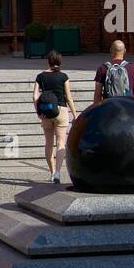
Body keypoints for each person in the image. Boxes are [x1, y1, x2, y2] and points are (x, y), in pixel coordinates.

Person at [33, 50, 78, 184]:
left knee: (48, 144)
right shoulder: (64, 76)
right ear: (60, 62)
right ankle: (58, 173)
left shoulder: (40, 76)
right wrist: (75, 114)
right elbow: (68, 97)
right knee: (60, 143)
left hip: (46, 112)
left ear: (48, 61)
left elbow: (34, 96)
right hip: (61, 111)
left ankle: (52, 172)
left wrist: (38, 112)